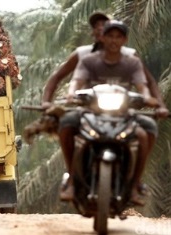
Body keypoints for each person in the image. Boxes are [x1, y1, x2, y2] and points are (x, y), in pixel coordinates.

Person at [58, 20, 159, 206]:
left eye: (118, 36)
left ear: (125, 40)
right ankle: (72, 180)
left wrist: (147, 97)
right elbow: (76, 81)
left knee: (147, 131)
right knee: (66, 123)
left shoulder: (132, 62)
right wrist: (72, 93)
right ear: (102, 38)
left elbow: (142, 85)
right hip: (91, 112)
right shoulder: (88, 61)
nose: (114, 40)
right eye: (110, 36)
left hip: (124, 114)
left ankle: (136, 183)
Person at [42, 12, 168, 117]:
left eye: (104, 24)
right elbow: (61, 78)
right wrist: (48, 101)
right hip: (89, 109)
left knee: (145, 128)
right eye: (96, 25)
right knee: (68, 124)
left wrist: (158, 105)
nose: (100, 28)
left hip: (122, 109)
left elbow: (148, 82)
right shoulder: (83, 55)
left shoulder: (130, 57)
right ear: (98, 34)